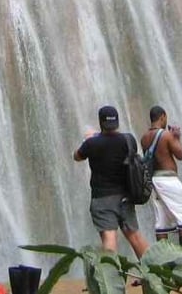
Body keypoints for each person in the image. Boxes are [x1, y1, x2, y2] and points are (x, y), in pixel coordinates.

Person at [75, 105, 151, 256]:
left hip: (103, 198)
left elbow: (77, 156)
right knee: (135, 235)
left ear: (101, 122)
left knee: (109, 237)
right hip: (125, 197)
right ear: (117, 122)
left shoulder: (91, 144)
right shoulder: (128, 140)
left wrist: (90, 138)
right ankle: (154, 274)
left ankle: (113, 277)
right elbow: (116, 143)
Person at [140, 107, 182, 257]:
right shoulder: (166, 135)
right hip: (169, 180)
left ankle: (165, 263)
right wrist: (177, 137)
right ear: (163, 117)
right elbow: (180, 154)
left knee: (161, 221)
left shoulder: (144, 137)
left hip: (155, 181)